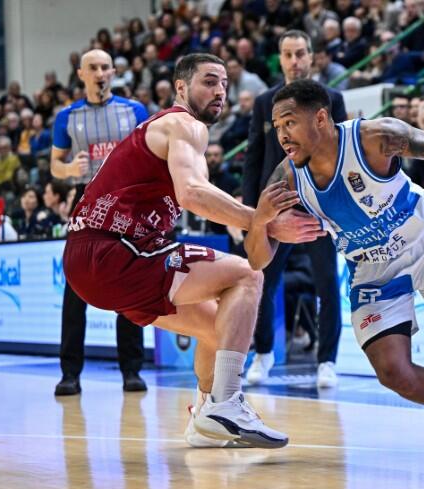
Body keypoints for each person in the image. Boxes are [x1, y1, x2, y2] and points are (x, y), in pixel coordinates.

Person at [248, 78, 424, 453]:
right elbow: (257, 260)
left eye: (290, 122)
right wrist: (260, 221)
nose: (283, 135)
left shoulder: (374, 138)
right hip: (373, 271)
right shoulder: (286, 179)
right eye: (277, 126)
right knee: (394, 373)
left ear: (320, 118)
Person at [62, 53, 323, 448]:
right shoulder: (184, 124)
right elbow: (192, 193)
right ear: (181, 87)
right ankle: (227, 401)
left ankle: (204, 417)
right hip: (113, 249)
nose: (220, 91)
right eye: (209, 81)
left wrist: (252, 221)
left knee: (222, 327)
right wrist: (263, 220)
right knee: (247, 275)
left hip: (94, 259)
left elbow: (200, 192)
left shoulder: (171, 133)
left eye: (224, 84)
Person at [242, 30, 346, 388]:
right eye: (287, 54)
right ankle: (263, 353)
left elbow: (341, 154)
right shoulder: (263, 102)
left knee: (327, 284)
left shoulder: (332, 99)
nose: (294, 61)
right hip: (277, 205)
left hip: (319, 205)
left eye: (300, 53)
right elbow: (254, 157)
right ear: (280, 58)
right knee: (261, 281)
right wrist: (251, 212)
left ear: (312, 56)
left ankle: (327, 360)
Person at [50, 49, 150, 396]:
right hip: (86, 199)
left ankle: (131, 370)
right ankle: (70, 374)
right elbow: (55, 165)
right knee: (75, 288)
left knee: (130, 282)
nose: (100, 73)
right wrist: (68, 169)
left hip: (127, 200)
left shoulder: (134, 111)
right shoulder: (67, 117)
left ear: (113, 73)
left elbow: (151, 153)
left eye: (105, 67)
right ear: (81, 74)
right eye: (93, 67)